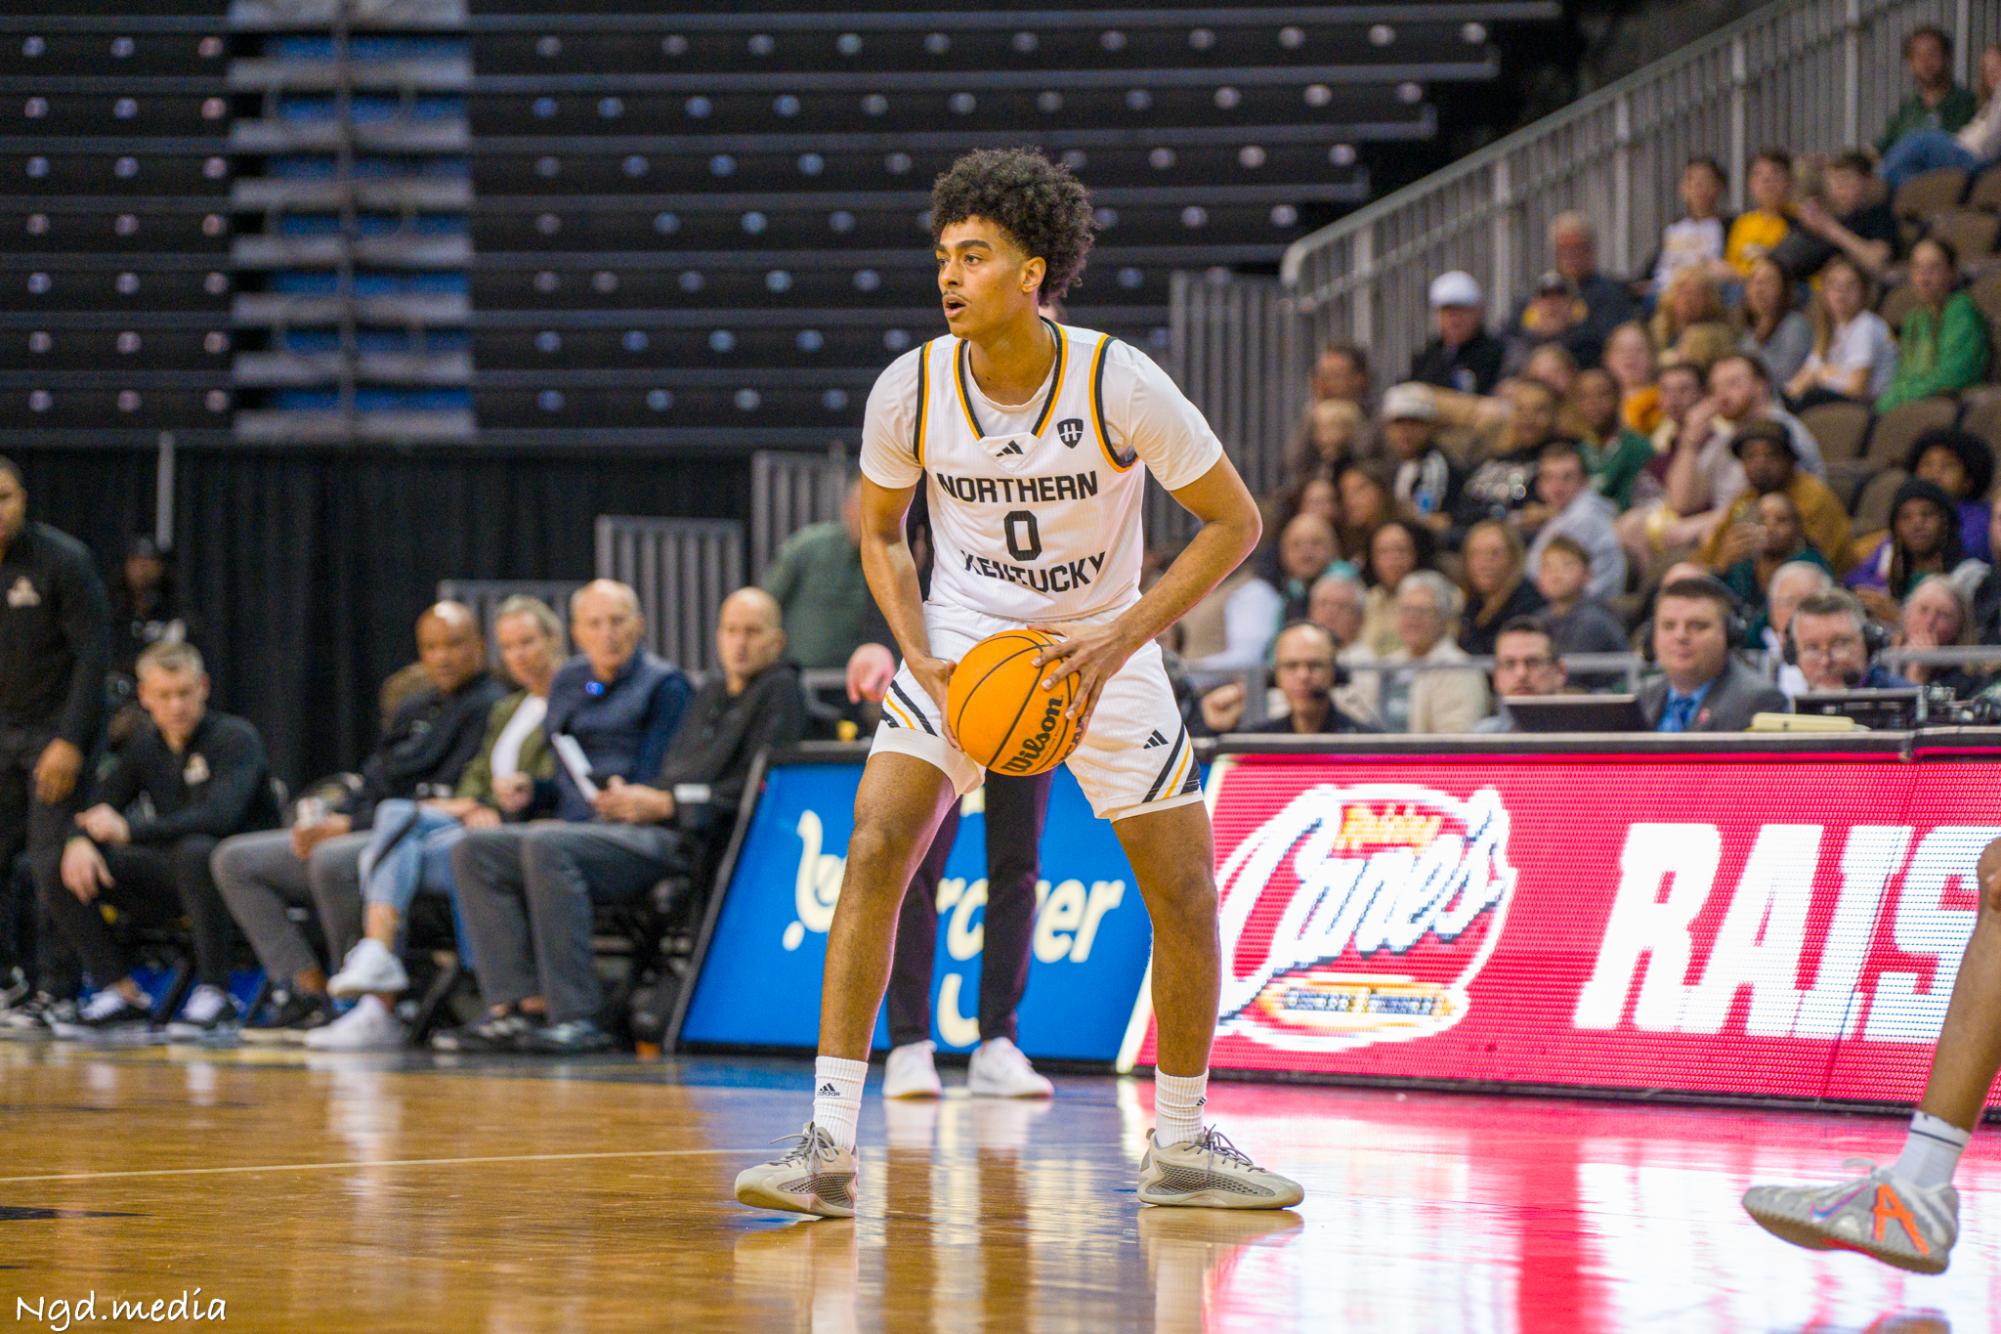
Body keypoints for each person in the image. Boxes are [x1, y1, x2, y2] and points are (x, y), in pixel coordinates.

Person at [732, 148, 1302, 1217]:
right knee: (875, 844)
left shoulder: (1116, 380)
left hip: (1103, 643)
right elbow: (884, 537)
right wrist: (917, 643)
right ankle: (825, 1138)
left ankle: (1179, 1142)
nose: (949, 275)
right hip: (970, 640)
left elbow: (1235, 524)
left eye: (975, 255)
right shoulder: (911, 385)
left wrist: (1122, 638)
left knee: (1184, 889)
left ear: (1033, 271)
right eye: (943, 255)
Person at [456, 587, 804, 1056]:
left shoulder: (777, 691)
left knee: (547, 844)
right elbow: (666, 774)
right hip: (633, 822)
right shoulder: (712, 692)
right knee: (476, 849)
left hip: (681, 840)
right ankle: (514, 1006)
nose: (739, 643)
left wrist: (665, 803)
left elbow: (758, 787)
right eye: (730, 631)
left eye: (752, 632)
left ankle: (578, 1016)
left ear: (777, 642)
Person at [211, 602, 505, 1043]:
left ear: (479, 646)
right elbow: (375, 779)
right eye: (430, 646)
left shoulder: (491, 707)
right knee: (234, 859)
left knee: (333, 860)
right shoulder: (414, 707)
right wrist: (332, 816)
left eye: (454, 645)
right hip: (366, 824)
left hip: (420, 837)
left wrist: (348, 827)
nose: (442, 657)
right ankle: (307, 990)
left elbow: (446, 798)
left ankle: (364, 1004)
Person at [304, 596, 565, 1052]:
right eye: (511, 646)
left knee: (394, 839)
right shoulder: (511, 710)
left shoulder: (551, 701)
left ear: (555, 640)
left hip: (516, 833)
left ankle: (379, 985)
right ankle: (376, 977)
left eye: (528, 642)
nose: (519, 655)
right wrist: (470, 802)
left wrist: (489, 806)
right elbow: (476, 777)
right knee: (394, 818)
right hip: (471, 824)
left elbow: (554, 783)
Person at [43, 643, 278, 1038]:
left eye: (184, 693)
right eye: (164, 695)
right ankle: (119, 991)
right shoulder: (144, 745)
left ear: (203, 687)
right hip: (176, 880)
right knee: (55, 864)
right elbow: (99, 808)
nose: (176, 706)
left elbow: (221, 818)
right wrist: (79, 840)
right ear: (145, 697)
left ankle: (216, 991)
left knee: (196, 850)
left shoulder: (235, 738)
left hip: (242, 878)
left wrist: (131, 831)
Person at [0, 457, 109, 1032]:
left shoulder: (61, 561)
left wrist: (69, 742)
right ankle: (7, 983)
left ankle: (58, 991)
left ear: (24, 499)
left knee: (49, 863)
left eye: (5, 497)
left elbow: (94, 658)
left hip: (54, 729)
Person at [1693, 421, 1852, 577]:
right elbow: (1707, 558)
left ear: (1790, 460)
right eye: (1750, 456)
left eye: (1771, 455)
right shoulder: (1746, 499)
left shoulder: (1813, 497)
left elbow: (1812, 567)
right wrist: (1720, 563)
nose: (1760, 463)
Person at [762, 476, 879, 671]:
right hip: (800, 676)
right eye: (866, 508)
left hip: (861, 678)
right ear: (848, 509)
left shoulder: (893, 558)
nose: (873, 518)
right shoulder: (809, 547)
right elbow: (764, 604)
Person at [1640, 577, 1786, 731]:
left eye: (1697, 626)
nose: (1680, 636)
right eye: (1668, 626)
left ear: (1728, 633)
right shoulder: (1643, 700)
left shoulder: (1759, 702)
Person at [1876, 237, 1993, 412]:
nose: (1924, 277)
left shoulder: (1962, 311)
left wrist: (1897, 397)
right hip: (1912, 403)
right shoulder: (1914, 319)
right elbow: (1904, 375)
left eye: (1934, 268)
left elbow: (1953, 376)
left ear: (1952, 273)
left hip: (1950, 406)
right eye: (1917, 268)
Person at [1198, 621, 1374, 736]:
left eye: (1315, 665)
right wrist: (1216, 731)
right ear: (1275, 677)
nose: (1303, 675)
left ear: (1335, 672)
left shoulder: (1367, 742)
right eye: (1291, 666)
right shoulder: (1257, 742)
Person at [1847, 478, 1977, 624]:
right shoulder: (1896, 581)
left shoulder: (1971, 576)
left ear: (1946, 521)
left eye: (1927, 514)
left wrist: (1899, 618)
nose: (1917, 524)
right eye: (1905, 517)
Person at [1877, 41, 2001, 189]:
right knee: (1910, 161)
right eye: (1987, 68)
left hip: (1976, 160)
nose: (1992, 72)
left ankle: (1879, 178)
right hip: (1961, 150)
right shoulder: (1988, 104)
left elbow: (1992, 141)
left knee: (1922, 140)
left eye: (1997, 65)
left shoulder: (1980, 99)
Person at [1786, 255, 1897, 407]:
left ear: (1864, 291)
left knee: (1812, 398)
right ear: (1824, 292)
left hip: (1866, 410)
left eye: (1850, 286)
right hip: (1837, 406)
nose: (1841, 293)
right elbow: (1802, 380)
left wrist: (1821, 376)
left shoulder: (1866, 325)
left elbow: (1856, 390)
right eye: (1834, 285)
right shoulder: (1830, 329)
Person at [1526, 440, 1627, 602]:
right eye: (1549, 477)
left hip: (1587, 607)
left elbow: (1540, 577)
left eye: (1567, 477)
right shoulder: (1564, 513)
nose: (1557, 487)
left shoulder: (1584, 518)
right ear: (1539, 484)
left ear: (1584, 481)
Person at [1776, 149, 1898, 282]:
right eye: (1833, 180)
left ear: (1867, 181)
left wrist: (1829, 229)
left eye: (1846, 179)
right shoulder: (1824, 212)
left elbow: (1877, 261)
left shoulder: (1877, 215)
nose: (1839, 187)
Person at [1721, 491, 1834, 618]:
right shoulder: (1742, 565)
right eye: (1761, 519)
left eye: (1781, 520)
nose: (1770, 527)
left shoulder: (1810, 564)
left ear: (1797, 528)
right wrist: (1723, 565)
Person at [1874, 25, 1979, 158]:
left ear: (1947, 57)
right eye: (1918, 56)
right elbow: (1878, 149)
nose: (1925, 62)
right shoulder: (1908, 108)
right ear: (1910, 63)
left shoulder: (1967, 103)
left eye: (1932, 54)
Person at [1537, 210, 1636, 344]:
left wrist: (1567, 329)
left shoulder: (1611, 294)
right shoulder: (1542, 292)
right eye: (1563, 249)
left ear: (1591, 249)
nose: (1570, 256)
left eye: (1577, 248)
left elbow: (1610, 340)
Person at [108, 535, 195, 684]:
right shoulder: (111, 613)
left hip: (163, 691)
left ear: (161, 567)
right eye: (135, 561)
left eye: (149, 562)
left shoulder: (176, 615)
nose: (142, 568)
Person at [1788, 590, 1912, 692]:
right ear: (1794, 654)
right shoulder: (1784, 712)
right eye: (1812, 647)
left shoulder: (1910, 703)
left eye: (1839, 644)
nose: (1825, 661)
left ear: (1868, 644)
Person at [1645, 156, 1732, 297]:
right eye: (1690, 180)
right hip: (1664, 296)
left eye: (1705, 180)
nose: (1697, 186)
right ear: (1682, 189)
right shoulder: (1674, 228)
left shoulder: (1731, 227)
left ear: (1719, 186)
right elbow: (1652, 269)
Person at [1381, 382, 1461, 536]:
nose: (1406, 431)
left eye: (1415, 423)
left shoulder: (1435, 466)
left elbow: (1425, 520)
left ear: (1431, 427)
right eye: (1399, 423)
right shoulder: (1395, 463)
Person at [1908, 427, 1996, 563]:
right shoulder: (1907, 517)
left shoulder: (1982, 521)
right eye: (1927, 464)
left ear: (1969, 481)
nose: (1934, 474)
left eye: (1948, 466)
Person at [1571, 368, 1654, 510]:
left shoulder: (1638, 448)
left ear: (1618, 397)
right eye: (1583, 396)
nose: (1593, 403)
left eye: (1602, 394)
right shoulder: (1578, 452)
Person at [1459, 520, 1545, 657]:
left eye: (1495, 553)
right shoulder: (1470, 606)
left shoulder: (1530, 605)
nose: (1484, 562)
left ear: (1514, 557)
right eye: (1475, 554)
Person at [1532, 536, 1627, 660]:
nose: (1556, 573)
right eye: (1547, 566)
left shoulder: (1594, 620)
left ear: (1587, 575)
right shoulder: (1541, 618)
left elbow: (1569, 673)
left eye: (1567, 565)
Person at [1409, 271, 1503, 395]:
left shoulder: (1495, 355)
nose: (1454, 320)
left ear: (1478, 312)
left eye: (1462, 312)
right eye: (1447, 312)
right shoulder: (1428, 356)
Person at [1475, 618, 1568, 733]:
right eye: (1509, 664)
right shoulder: (1481, 737)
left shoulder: (1584, 736)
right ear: (1495, 676)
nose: (1521, 674)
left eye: (1533, 662)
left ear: (1560, 671)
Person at [1503, 270, 1602, 375]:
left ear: (1573, 305)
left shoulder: (1588, 347)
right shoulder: (1513, 346)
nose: (1552, 303)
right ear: (1533, 305)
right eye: (1544, 296)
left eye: (1560, 296)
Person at [1358, 519, 1431, 658]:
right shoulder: (1365, 601)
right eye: (1384, 552)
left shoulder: (1435, 597)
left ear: (1415, 554)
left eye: (1400, 550)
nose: (1393, 559)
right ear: (1372, 559)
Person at [1738, 257, 1813, 387]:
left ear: (1784, 289)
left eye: (1768, 281)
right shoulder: (1748, 328)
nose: (1759, 289)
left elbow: (1786, 376)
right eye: (1754, 281)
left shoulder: (1795, 325)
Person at [1725, 149, 1794, 279]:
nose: (1766, 180)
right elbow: (1732, 265)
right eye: (1758, 174)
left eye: (1775, 173)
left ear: (1790, 181)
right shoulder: (1742, 223)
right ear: (1750, 185)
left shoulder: (1802, 221)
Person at [1648, 266, 1737, 367]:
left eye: (1696, 294)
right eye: (1682, 293)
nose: (1688, 300)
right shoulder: (1659, 329)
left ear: (1709, 300)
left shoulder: (1719, 336)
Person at [1603, 321, 1662, 436]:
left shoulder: (1664, 400)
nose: (1629, 356)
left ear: (1653, 356)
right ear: (1607, 358)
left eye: (1639, 349)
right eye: (1621, 350)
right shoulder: (1596, 403)